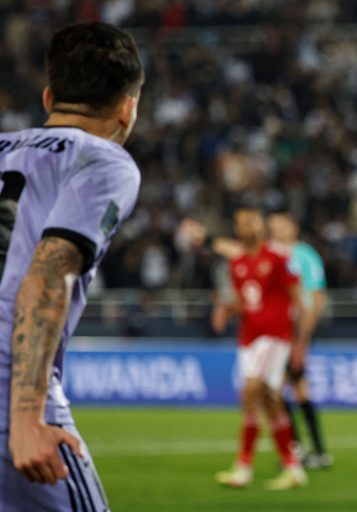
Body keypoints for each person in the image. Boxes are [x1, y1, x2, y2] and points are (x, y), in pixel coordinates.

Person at [0, 22, 143, 511]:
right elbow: (48, 271)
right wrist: (25, 418)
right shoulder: (104, 160)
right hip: (10, 386)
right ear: (127, 109)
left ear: (47, 96)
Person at [187, 209, 310, 490]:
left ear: (260, 226)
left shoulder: (280, 258)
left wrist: (300, 343)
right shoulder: (238, 263)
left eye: (252, 222)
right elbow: (247, 301)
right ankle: (293, 467)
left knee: (250, 391)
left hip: (275, 336)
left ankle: (243, 467)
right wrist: (227, 310)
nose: (247, 227)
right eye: (241, 223)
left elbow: (297, 300)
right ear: (237, 229)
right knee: (270, 401)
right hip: (249, 339)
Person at [267, 210, 332, 470]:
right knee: (294, 387)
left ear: (293, 228)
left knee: (279, 389)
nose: (277, 228)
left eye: (282, 224)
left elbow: (317, 297)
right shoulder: (268, 253)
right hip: (276, 331)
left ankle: (301, 449)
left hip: (297, 331)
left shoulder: (305, 255)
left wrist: (303, 339)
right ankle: (313, 451)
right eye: (274, 224)